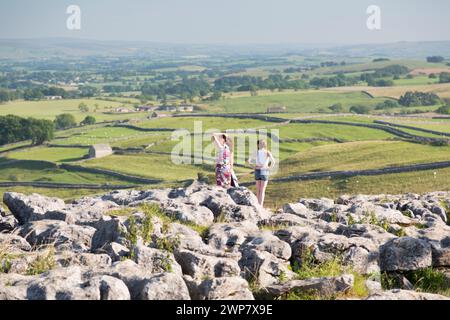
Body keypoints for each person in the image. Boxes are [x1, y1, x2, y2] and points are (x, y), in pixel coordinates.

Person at [248, 139, 276, 207]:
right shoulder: (267, 152)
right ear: (264, 144)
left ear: (258, 145)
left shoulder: (256, 152)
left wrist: (254, 167)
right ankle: (260, 206)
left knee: (258, 190)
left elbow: (248, 161)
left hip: (257, 170)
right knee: (262, 190)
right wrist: (269, 168)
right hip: (264, 170)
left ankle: (257, 205)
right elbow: (273, 162)